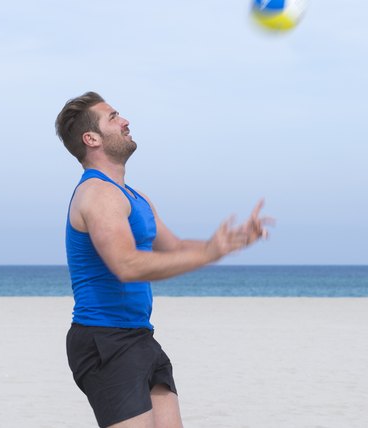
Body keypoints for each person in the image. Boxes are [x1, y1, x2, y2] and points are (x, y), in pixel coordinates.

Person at [55, 91, 271, 428]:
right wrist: (208, 254)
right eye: (113, 117)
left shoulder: (135, 198)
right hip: (104, 339)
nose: (125, 121)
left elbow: (175, 245)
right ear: (91, 138)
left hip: (139, 335)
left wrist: (228, 243)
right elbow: (126, 266)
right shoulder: (97, 194)